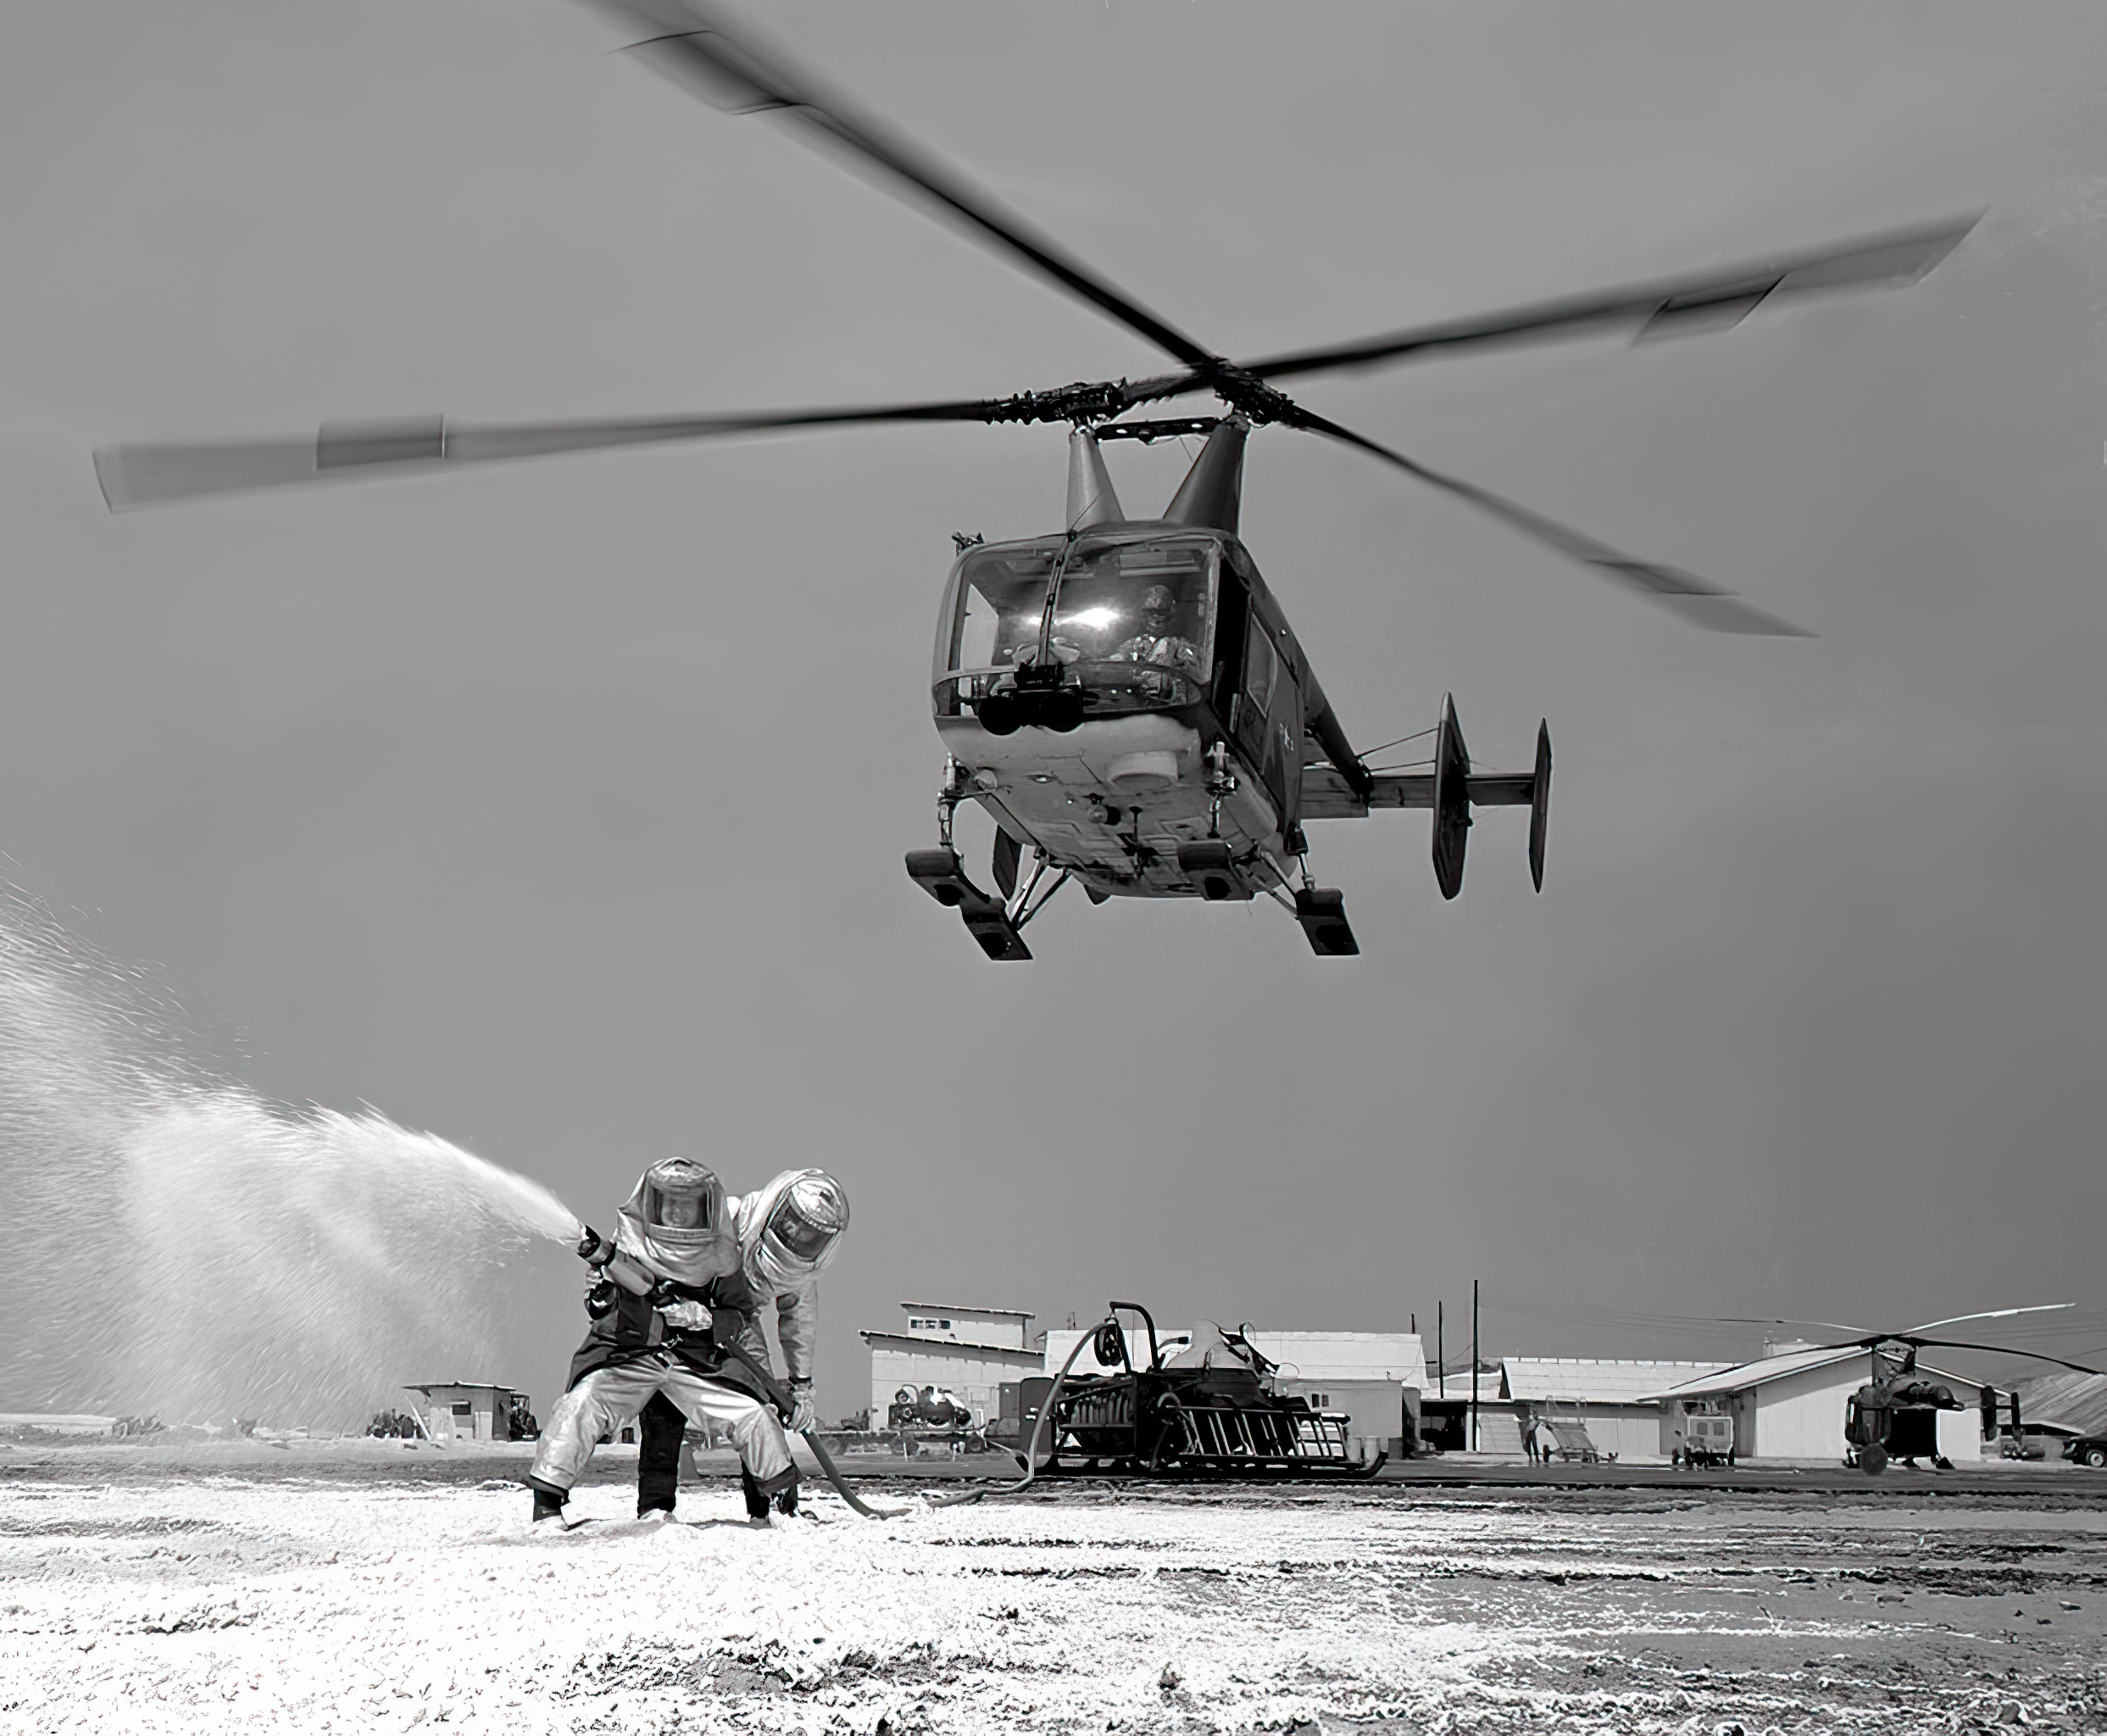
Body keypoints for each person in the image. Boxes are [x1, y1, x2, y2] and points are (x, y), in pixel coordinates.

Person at [526, 1158, 798, 1529]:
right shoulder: (627, 1247)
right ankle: (547, 1507)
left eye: (687, 1205)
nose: (678, 1213)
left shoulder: (721, 1255)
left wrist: (707, 1318)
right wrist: (601, 1298)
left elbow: (740, 1313)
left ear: (704, 1208)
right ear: (654, 1204)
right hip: (631, 1355)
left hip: (697, 1361)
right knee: (580, 1405)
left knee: (754, 1414)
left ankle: (780, 1507)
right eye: (670, 1204)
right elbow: (604, 1312)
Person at [631, 1167, 850, 1522]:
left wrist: (801, 1386)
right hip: (682, 1315)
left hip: (737, 1323)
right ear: (775, 1208)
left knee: (760, 1405)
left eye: (810, 1234)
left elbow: (798, 1324)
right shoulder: (725, 1219)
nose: (797, 1234)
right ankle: (655, 1506)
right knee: (662, 1404)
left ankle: (772, 1508)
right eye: (793, 1223)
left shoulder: (802, 1272)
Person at [1110, 584, 1199, 682]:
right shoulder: (1134, 643)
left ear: (1169, 616)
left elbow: (1193, 673)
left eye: (1161, 613)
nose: (1156, 617)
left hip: (1165, 696)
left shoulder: (1179, 645)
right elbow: (1114, 664)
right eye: (1152, 613)